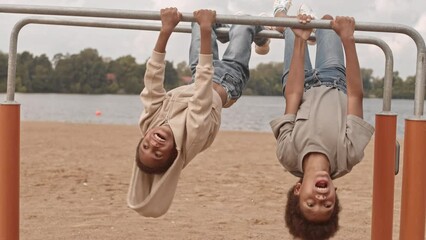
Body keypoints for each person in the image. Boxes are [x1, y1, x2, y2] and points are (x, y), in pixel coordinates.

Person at [127, 7, 270, 217]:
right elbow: (204, 87)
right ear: (174, 155)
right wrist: (205, 28)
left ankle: (220, 30)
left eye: (145, 146)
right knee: (243, 22)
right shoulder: (192, 135)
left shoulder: (149, 123)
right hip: (228, 81)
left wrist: (166, 29)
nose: (153, 144)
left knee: (197, 21)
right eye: (157, 153)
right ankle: (261, 39)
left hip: (199, 74)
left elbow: (153, 80)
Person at [270, 3, 375, 240]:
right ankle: (312, 34)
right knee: (329, 22)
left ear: (297, 190)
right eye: (327, 206)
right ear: (335, 195)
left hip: (299, 81)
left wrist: (299, 41)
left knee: (291, 27)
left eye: (310, 204)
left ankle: (280, 19)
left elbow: (294, 95)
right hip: (335, 78)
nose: (320, 200)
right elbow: (356, 95)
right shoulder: (349, 154)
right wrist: (348, 40)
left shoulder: (288, 154)